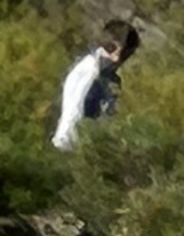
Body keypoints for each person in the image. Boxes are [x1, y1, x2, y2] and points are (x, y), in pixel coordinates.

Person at [53, 21, 141, 150]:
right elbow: (73, 109)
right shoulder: (89, 69)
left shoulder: (109, 76)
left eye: (125, 55)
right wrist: (68, 142)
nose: (117, 59)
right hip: (71, 144)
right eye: (112, 49)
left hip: (90, 144)